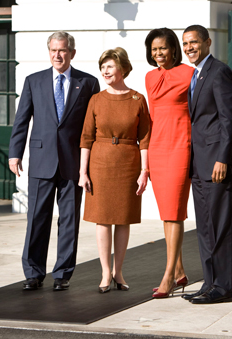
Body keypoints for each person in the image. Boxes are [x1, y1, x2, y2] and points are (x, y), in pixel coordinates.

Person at [9, 31, 100, 291]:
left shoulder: (89, 82)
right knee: (37, 218)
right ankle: (33, 273)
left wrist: (92, 162)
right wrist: (15, 153)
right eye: (53, 50)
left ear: (72, 52)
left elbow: (92, 125)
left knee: (69, 219)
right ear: (48, 52)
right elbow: (22, 120)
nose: (57, 55)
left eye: (62, 50)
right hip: (41, 159)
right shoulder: (33, 81)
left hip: (73, 161)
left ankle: (63, 274)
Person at [181, 25, 232, 304]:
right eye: (185, 43)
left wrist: (223, 157)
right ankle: (209, 283)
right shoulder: (196, 75)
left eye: (194, 42)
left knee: (220, 227)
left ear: (207, 42)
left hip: (218, 162)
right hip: (199, 164)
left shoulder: (219, 72)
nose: (189, 47)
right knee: (205, 227)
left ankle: (222, 288)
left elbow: (230, 120)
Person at [79, 47, 150, 293]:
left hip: (128, 163)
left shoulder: (137, 99)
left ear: (122, 68)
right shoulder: (96, 99)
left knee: (123, 219)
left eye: (109, 66)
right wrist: (82, 172)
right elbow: (86, 138)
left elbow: (146, 138)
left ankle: (119, 271)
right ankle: (105, 273)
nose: (104, 71)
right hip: (100, 163)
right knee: (102, 219)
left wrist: (145, 170)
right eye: (102, 67)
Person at [144, 28, 194, 299]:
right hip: (157, 149)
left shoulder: (189, 74)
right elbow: (151, 116)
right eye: (153, 49)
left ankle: (167, 277)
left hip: (180, 147)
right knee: (167, 212)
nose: (158, 53)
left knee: (174, 212)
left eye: (162, 48)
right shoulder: (150, 77)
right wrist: (146, 158)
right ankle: (179, 270)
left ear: (174, 49)